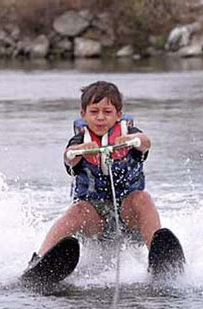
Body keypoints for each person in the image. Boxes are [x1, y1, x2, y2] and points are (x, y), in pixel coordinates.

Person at [33, 81, 167, 261]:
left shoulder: (130, 134)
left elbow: (145, 142)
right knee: (77, 210)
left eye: (107, 112)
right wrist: (81, 150)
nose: (100, 117)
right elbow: (68, 157)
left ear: (118, 115)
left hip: (129, 218)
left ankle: (161, 258)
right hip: (95, 223)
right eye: (94, 112)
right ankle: (39, 259)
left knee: (143, 199)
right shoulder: (78, 141)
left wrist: (131, 139)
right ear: (84, 114)